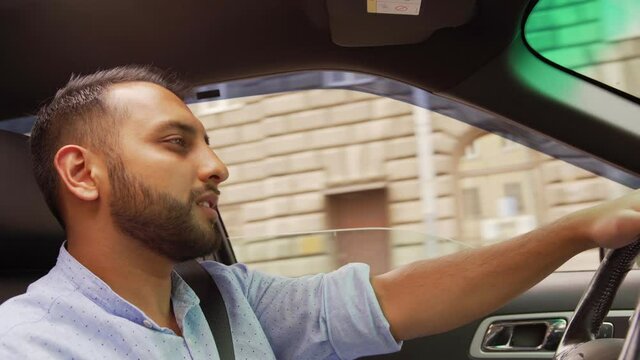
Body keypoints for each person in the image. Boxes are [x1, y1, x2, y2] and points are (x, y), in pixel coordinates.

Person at [0, 65, 639, 359]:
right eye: (176, 143)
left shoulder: (223, 295)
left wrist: (581, 229)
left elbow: (394, 304)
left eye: (209, 141)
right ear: (83, 174)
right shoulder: (30, 345)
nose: (218, 166)